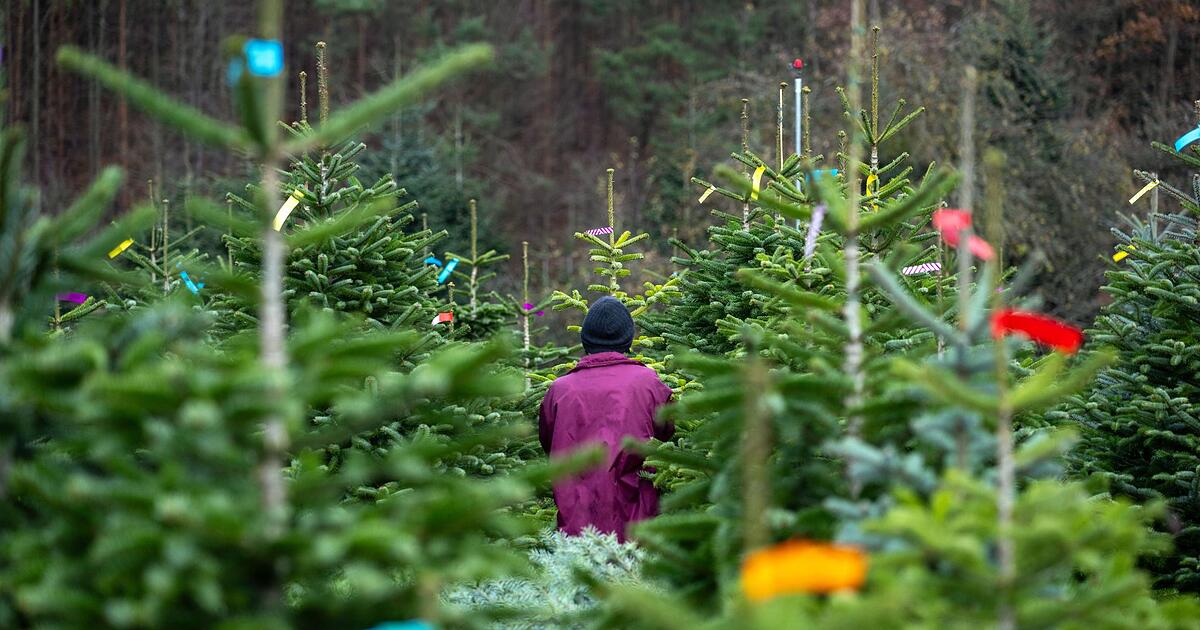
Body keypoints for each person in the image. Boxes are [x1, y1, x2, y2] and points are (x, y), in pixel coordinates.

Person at [538, 296, 674, 542]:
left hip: (575, 536)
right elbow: (667, 436)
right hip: (637, 531)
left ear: (586, 340)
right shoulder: (648, 384)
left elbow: (548, 443)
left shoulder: (560, 390)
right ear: (628, 339)